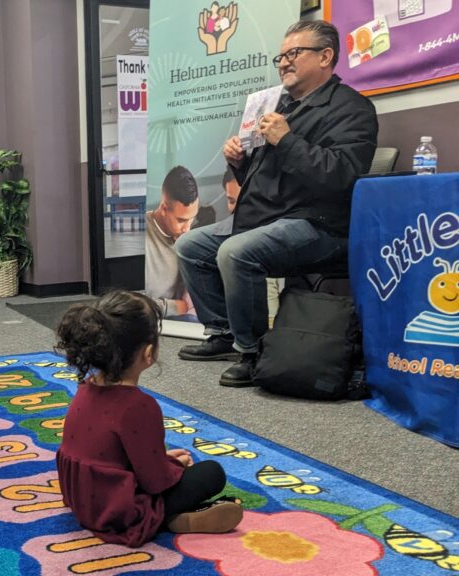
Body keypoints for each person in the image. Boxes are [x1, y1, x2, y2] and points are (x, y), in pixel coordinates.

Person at [175, 20, 377, 387]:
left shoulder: (352, 109)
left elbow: (342, 176)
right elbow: (264, 175)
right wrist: (238, 161)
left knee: (236, 252)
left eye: (293, 53)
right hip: (267, 216)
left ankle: (253, 352)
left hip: (320, 224)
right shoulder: (279, 106)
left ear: (325, 56)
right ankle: (221, 333)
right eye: (280, 56)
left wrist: (286, 140)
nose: (284, 62)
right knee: (190, 245)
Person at [55, 290, 243, 547]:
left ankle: (171, 517)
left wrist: (164, 460)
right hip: (119, 510)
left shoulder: (85, 387)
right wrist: (171, 468)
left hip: (82, 499)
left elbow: (110, 454)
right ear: (149, 353)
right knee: (212, 473)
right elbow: (155, 482)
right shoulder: (139, 406)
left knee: (178, 464)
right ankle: (165, 518)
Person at [145, 166, 199, 318]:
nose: (187, 228)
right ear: (163, 208)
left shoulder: (192, 237)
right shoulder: (141, 235)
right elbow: (129, 303)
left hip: (183, 318)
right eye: (181, 220)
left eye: (192, 218)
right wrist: (172, 307)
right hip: (148, 321)